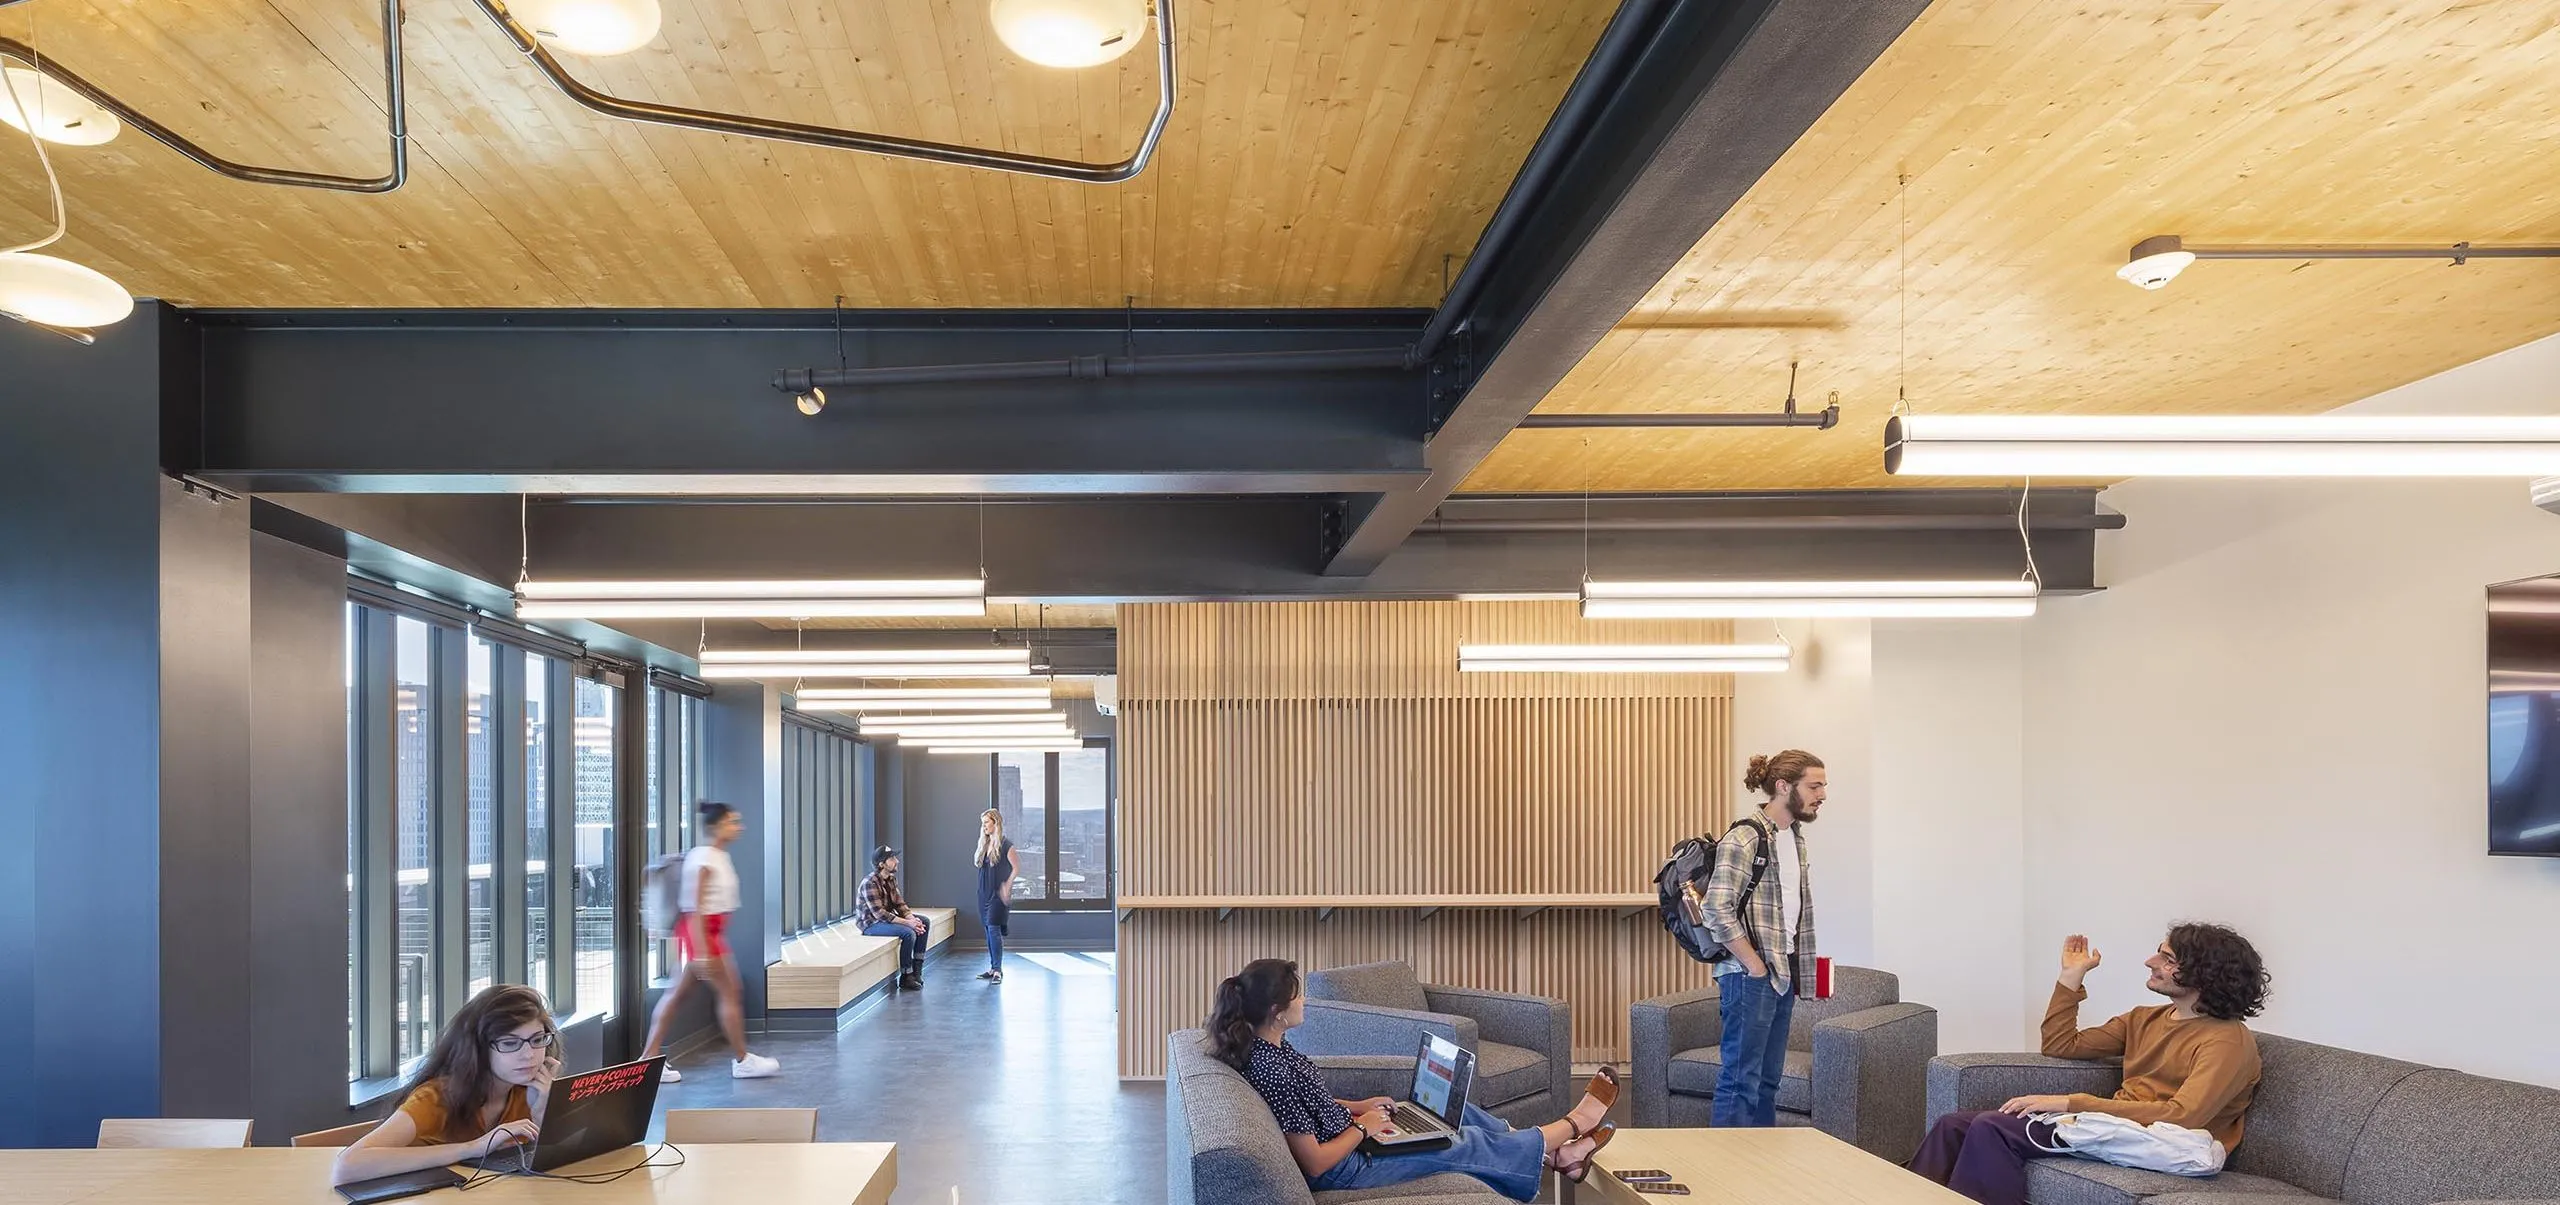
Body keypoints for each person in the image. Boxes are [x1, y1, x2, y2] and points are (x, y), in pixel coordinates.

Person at [1910, 924, 2269, 1205]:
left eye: (2167, 958)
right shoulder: (2146, 1019)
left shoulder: (2227, 1041)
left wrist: (2071, 1103)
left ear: (2203, 974)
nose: (2150, 961)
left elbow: (2184, 1116)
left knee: (1993, 1128)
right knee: (1953, 1125)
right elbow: (2061, 1044)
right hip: (2116, 1128)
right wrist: (2071, 977)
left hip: (2169, 1145)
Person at [1212, 958, 1619, 1200]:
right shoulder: (1270, 1068)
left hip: (1353, 1138)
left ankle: (1558, 1156)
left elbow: (1310, 1104)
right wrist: (1362, 1128)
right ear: (1278, 1011)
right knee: (1461, 1142)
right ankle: (1570, 1127)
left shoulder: (1272, 1048)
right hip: (1350, 1165)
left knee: (1459, 1115)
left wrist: (1359, 1107)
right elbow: (1315, 1162)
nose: (1304, 1001)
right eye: (1297, 995)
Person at [1689, 748, 1824, 1128]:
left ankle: (1759, 1172)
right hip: (1749, 976)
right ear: (1783, 786)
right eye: (1814, 785)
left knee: (1767, 1082)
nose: (1823, 794)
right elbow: (1716, 908)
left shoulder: (1794, 838)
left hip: (1778, 974)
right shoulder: (1745, 837)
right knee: (1740, 1080)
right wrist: (1754, 965)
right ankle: (1727, 1177)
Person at [331, 985, 558, 1185]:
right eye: (510, 1043)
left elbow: (558, 1167)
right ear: (478, 1049)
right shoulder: (436, 1098)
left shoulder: (529, 1090)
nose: (529, 1055)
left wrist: (542, 1111)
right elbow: (347, 1167)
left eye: (537, 1040)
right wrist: (474, 1148)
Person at [638, 801, 781, 1083]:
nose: (739, 827)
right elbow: (695, 908)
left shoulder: (716, 856)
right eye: (733, 821)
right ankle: (742, 1060)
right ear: (717, 826)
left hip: (707, 936)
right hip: (702, 936)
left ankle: (648, 1061)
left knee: (678, 996)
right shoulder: (704, 860)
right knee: (729, 993)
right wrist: (701, 952)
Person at [857, 844, 930, 990]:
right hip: (871, 924)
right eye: (892, 859)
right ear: (881, 864)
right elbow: (879, 914)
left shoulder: (890, 879)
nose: (897, 861)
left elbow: (899, 904)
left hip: (886, 920)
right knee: (908, 933)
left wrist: (912, 919)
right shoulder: (869, 883)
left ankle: (917, 972)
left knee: (924, 922)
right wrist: (908, 924)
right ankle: (906, 976)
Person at [973, 809, 1019, 984]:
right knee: (987, 930)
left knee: (994, 929)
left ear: (996, 823)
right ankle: (992, 968)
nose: (984, 826)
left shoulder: (1007, 845)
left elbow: (1016, 868)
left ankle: (998, 970)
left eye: (987, 822)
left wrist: (1008, 885)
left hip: (998, 894)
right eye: (983, 822)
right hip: (983, 894)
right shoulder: (984, 844)